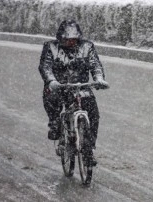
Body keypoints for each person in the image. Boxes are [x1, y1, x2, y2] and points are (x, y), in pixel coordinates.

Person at [38, 20, 109, 166]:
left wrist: (99, 79)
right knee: (51, 97)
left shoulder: (87, 46)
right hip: (60, 86)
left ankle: (88, 148)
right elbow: (46, 67)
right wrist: (52, 81)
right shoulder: (50, 47)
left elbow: (95, 64)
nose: (71, 42)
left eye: (74, 39)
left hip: (81, 87)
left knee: (93, 113)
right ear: (60, 37)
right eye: (67, 39)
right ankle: (55, 124)